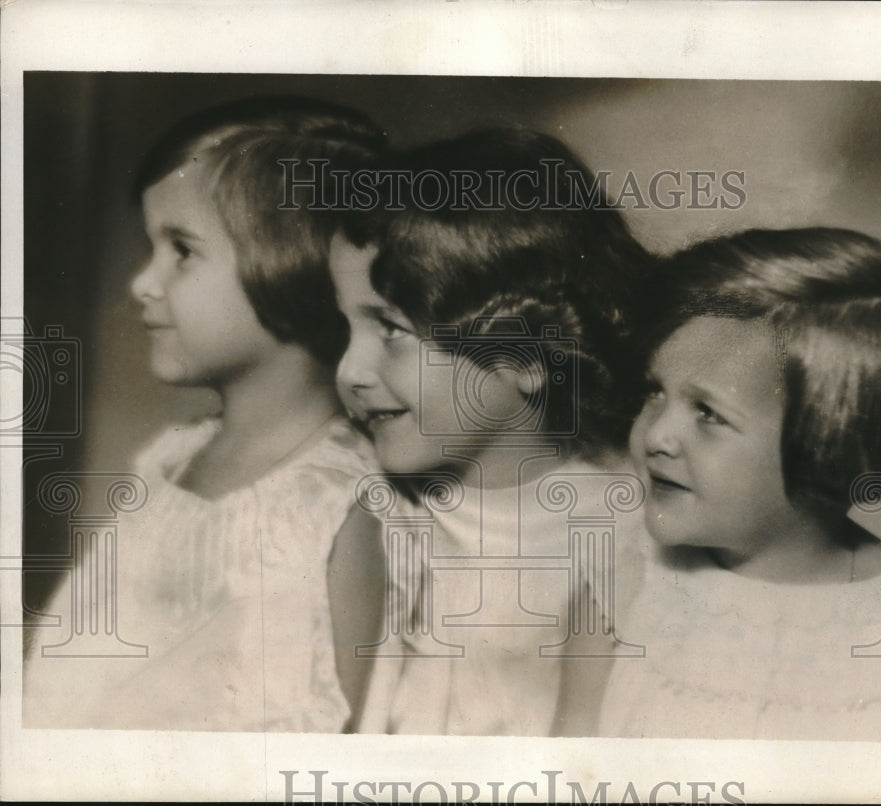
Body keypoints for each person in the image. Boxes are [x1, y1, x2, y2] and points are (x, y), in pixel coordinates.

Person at [23, 97, 386, 732]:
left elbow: (316, 741)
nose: (143, 282)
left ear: (291, 265)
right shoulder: (171, 458)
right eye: (151, 248)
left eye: (181, 251)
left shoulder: (333, 505)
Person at [329, 127, 654, 735]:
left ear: (527, 353)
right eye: (346, 328)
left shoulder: (621, 528)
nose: (350, 371)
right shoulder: (371, 503)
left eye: (391, 329)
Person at [598, 227, 881, 740]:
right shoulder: (626, 574)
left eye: (708, 413)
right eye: (654, 392)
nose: (657, 433)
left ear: (830, 439)